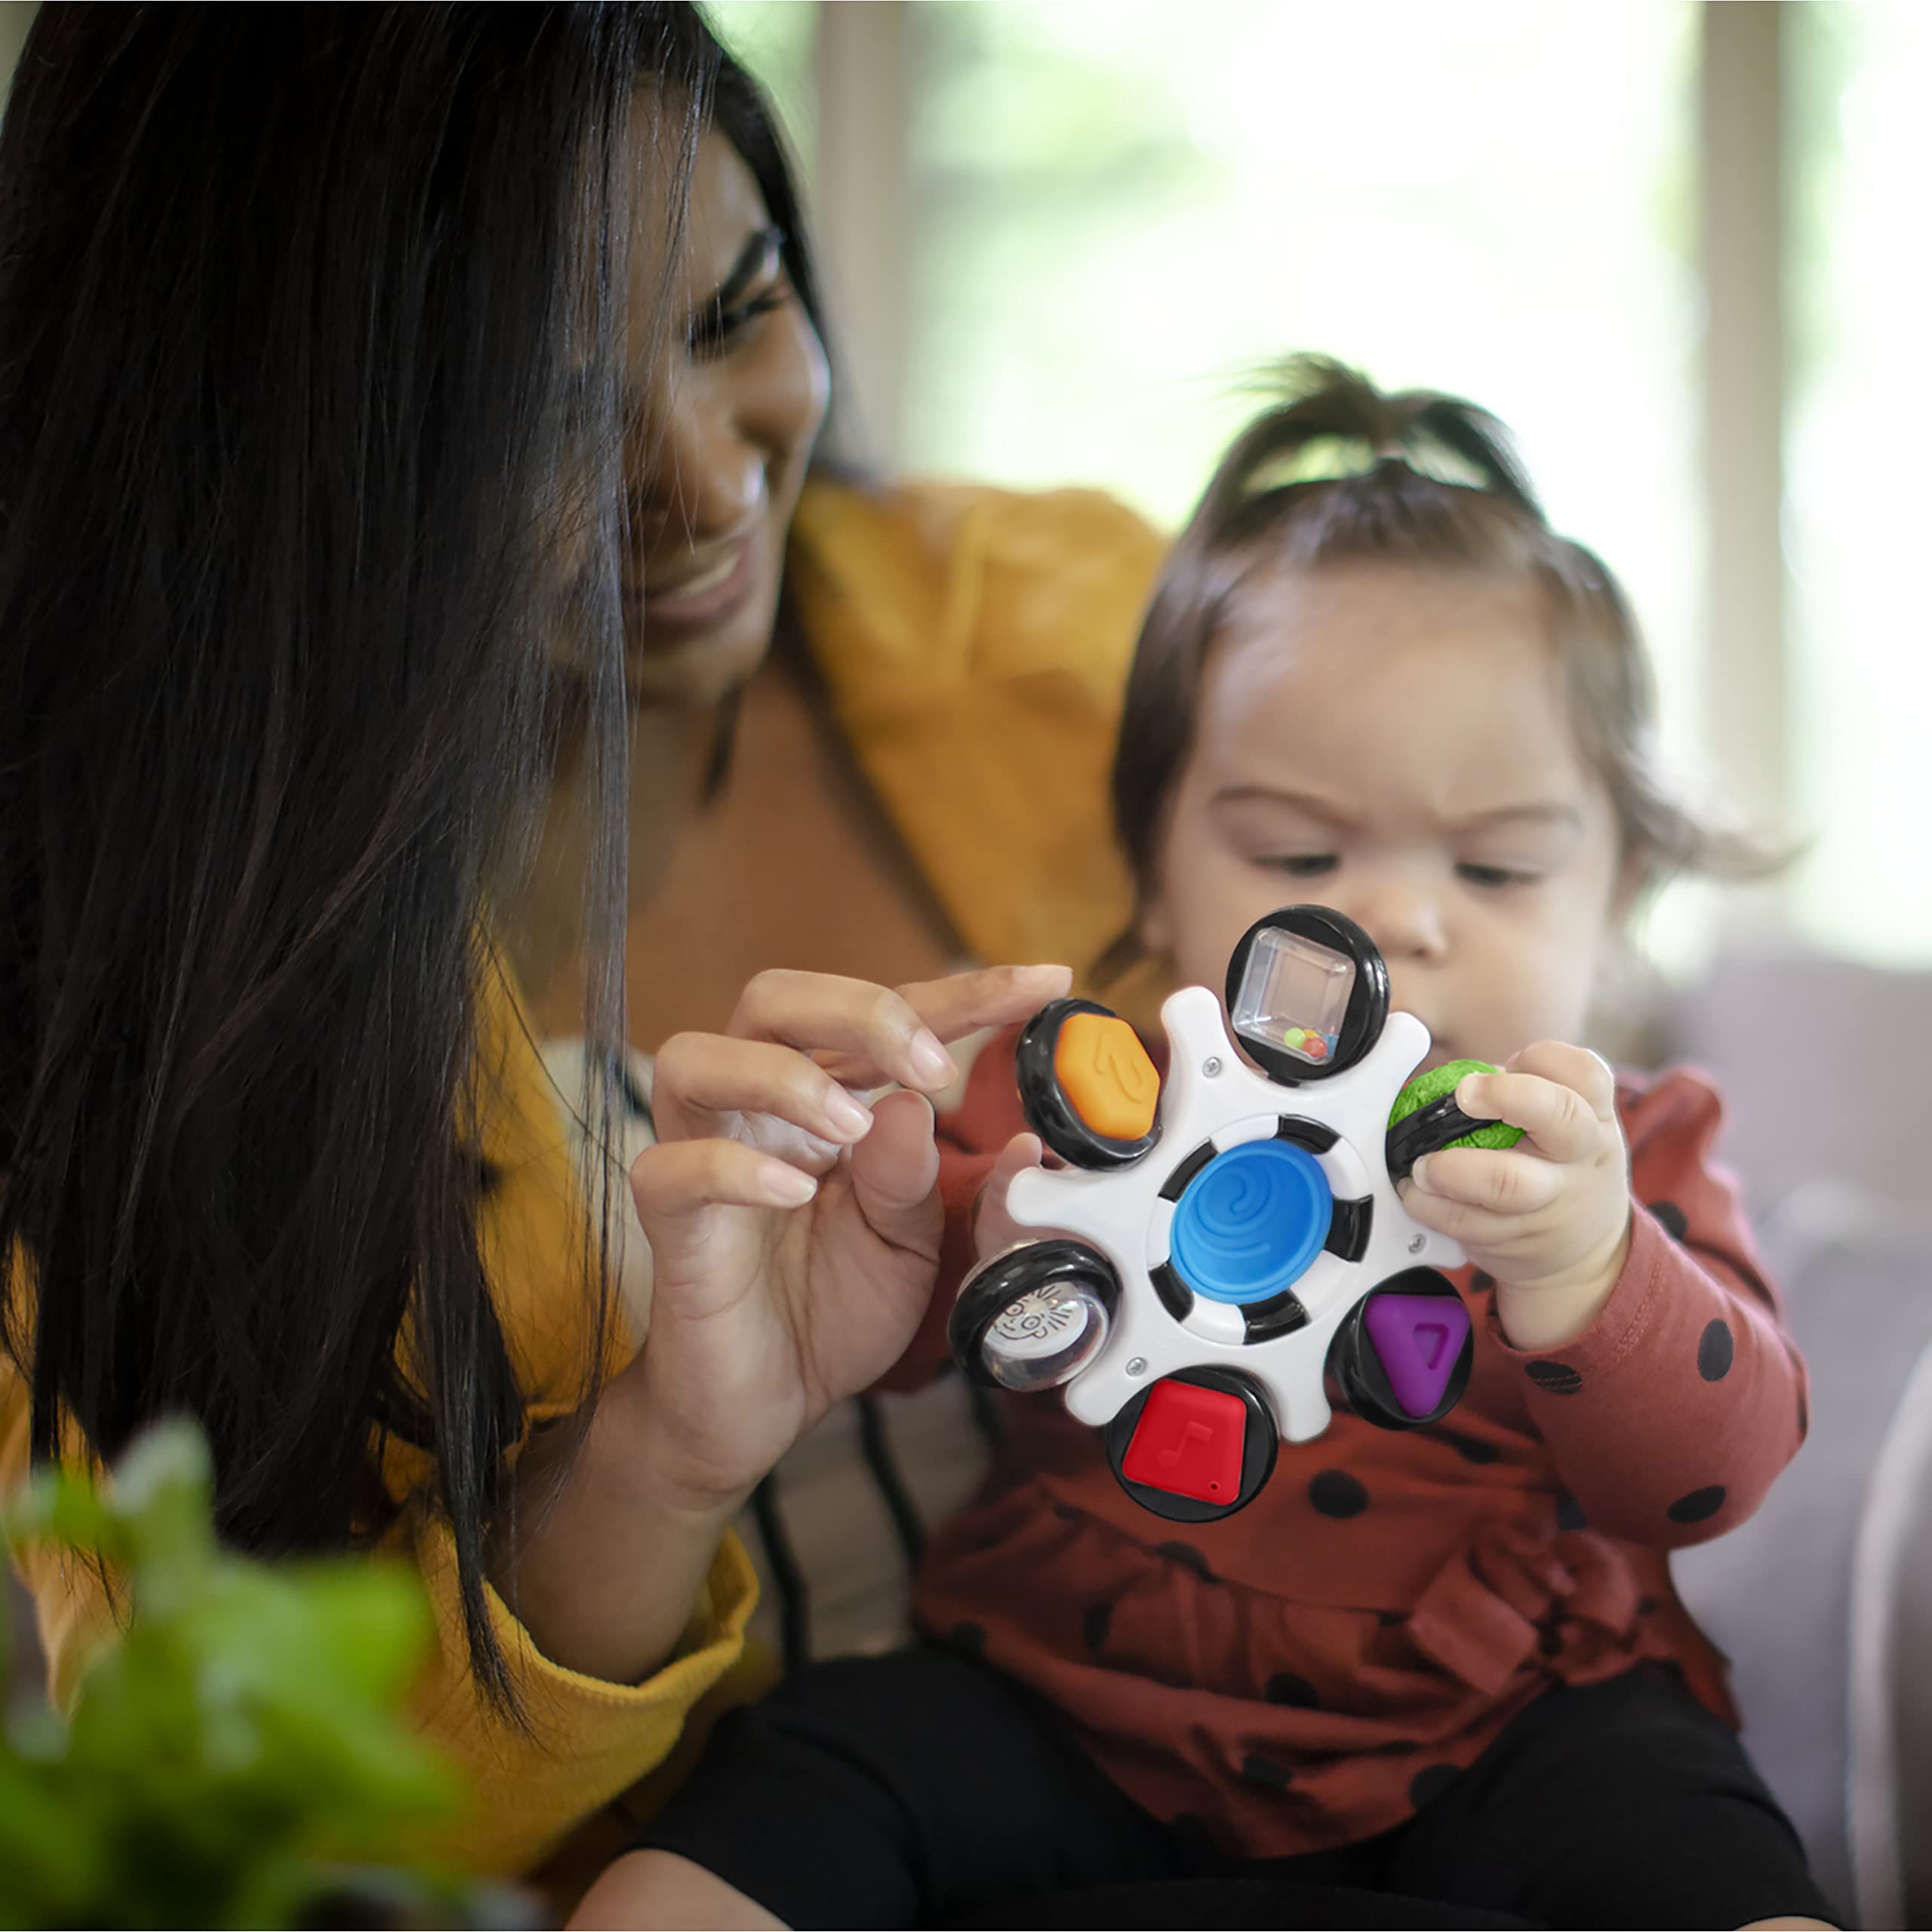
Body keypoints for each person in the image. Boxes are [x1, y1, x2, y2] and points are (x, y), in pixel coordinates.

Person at [0, 2, 1073, 1885]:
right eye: (538, 415)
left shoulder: (1076, 641)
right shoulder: (112, 1005)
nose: (703, 478)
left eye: (736, 310)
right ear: (261, 457)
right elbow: (249, 1836)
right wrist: (656, 1454)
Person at [578, 364, 1839, 1929]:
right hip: (1055, 1695)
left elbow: (1711, 1478)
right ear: (1152, 872)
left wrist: (1584, 1263)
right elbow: (889, 1328)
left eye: (1498, 864)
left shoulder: (1622, 1144)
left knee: (1706, 1849)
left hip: (1503, 1718)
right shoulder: (1085, 1100)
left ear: (1620, 891)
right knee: (760, 1812)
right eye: (1297, 851)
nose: (1392, 914)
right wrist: (943, 1215)